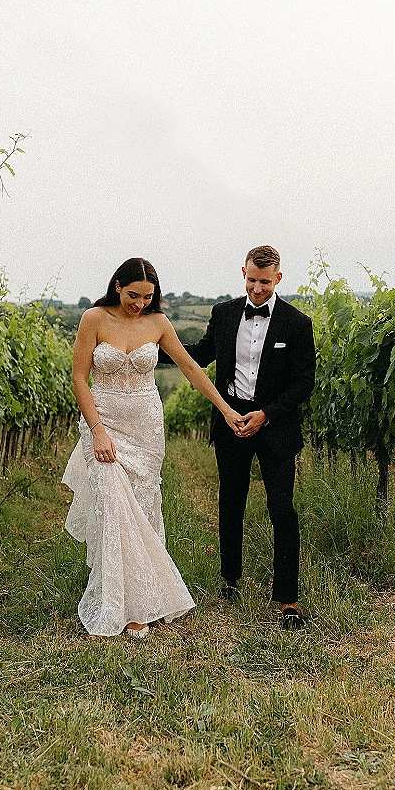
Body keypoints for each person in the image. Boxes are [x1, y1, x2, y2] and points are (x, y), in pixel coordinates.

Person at [61, 258, 242, 638]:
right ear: (116, 286)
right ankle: (124, 606)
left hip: (145, 426)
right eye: (133, 295)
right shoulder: (93, 319)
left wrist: (225, 410)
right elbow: (79, 377)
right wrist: (96, 429)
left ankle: (145, 596)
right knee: (113, 505)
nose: (139, 303)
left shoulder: (158, 324)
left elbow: (192, 369)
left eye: (147, 297)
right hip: (105, 421)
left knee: (140, 509)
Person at [160, 245, 316, 629]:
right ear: (242, 273)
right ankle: (231, 581)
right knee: (231, 503)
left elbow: (303, 382)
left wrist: (266, 414)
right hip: (230, 424)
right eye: (251, 279)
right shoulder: (224, 313)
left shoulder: (297, 323)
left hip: (274, 428)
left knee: (282, 509)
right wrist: (152, 343)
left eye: (264, 281)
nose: (257, 288)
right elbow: (200, 353)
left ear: (278, 279)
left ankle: (288, 600)